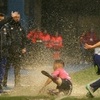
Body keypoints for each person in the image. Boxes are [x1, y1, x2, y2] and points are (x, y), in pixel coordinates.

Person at [3, 12, 26, 87]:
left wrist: (23, 47)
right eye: (15, 17)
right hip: (9, 51)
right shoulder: (7, 27)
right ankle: (4, 83)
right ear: (13, 17)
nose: (17, 19)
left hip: (18, 51)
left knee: (17, 68)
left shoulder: (21, 28)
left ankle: (17, 83)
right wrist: (6, 47)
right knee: (6, 68)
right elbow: (5, 38)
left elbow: (23, 39)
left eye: (18, 17)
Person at [0, 12, 19, 92]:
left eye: (2, 17)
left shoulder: (4, 27)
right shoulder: (3, 26)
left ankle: (0, 85)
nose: (1, 19)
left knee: (2, 69)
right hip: (2, 50)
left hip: (3, 51)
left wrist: (8, 43)